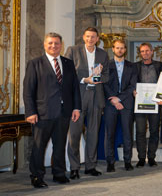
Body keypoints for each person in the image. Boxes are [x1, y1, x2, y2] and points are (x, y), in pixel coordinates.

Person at [24, 32, 81, 188]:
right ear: (44, 44)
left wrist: (76, 107)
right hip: (42, 113)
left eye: (56, 43)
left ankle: (59, 173)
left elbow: (74, 88)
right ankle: (36, 176)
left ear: (61, 45)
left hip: (64, 112)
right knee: (38, 146)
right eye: (50, 43)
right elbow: (28, 90)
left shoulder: (68, 63)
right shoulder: (35, 63)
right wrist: (30, 112)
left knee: (60, 144)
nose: (53, 46)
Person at [64, 27, 109, 179]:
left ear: (98, 39)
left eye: (93, 37)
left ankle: (91, 166)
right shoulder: (73, 50)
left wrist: (100, 76)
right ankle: (74, 167)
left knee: (93, 134)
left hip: (96, 98)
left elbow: (107, 76)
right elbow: (67, 74)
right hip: (78, 97)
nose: (90, 39)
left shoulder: (103, 54)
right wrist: (85, 80)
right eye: (88, 36)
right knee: (74, 134)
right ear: (83, 37)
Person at [103, 39, 138, 172]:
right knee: (109, 134)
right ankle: (110, 162)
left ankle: (127, 161)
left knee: (127, 134)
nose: (120, 50)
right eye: (117, 48)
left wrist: (119, 98)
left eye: (122, 48)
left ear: (125, 50)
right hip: (110, 104)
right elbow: (104, 84)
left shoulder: (132, 66)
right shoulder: (106, 65)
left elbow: (132, 85)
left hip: (126, 104)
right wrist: (113, 100)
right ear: (113, 49)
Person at [134, 43, 162, 167]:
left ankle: (151, 157)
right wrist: (133, 91)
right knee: (140, 131)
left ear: (152, 52)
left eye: (147, 51)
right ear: (140, 53)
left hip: (155, 103)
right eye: (142, 51)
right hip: (140, 103)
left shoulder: (160, 66)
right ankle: (141, 157)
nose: (145, 53)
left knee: (154, 131)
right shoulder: (135, 66)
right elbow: (131, 82)